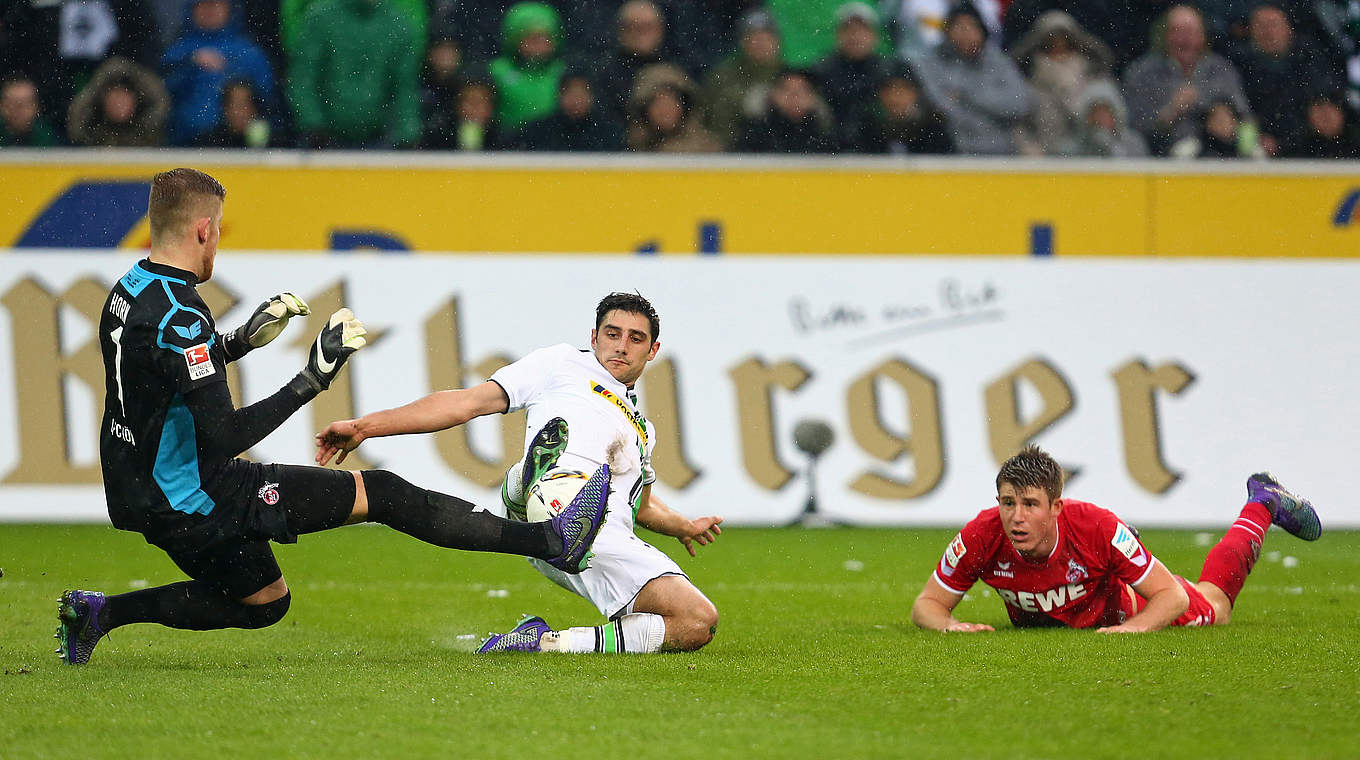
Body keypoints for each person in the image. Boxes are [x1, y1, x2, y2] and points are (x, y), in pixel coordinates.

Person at [55, 168, 608, 666]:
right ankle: (550, 542)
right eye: (218, 229)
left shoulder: (131, 288)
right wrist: (310, 381)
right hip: (198, 491)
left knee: (265, 602)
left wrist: (240, 341)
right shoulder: (182, 315)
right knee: (384, 493)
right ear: (203, 229)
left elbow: (162, 372)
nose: (217, 241)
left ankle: (98, 615)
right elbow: (222, 434)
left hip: (139, 488)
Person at [316, 292, 724, 654]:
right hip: (563, 519)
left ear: (652, 351)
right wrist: (366, 427)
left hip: (590, 538)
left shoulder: (641, 430)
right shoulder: (561, 364)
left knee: (692, 623)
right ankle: (536, 489)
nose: (621, 346)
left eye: (635, 339)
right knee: (695, 619)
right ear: (594, 336)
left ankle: (545, 636)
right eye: (612, 333)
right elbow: (467, 403)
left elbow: (644, 507)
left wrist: (685, 527)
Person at [911, 445, 1321, 633]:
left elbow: (1172, 599)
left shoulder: (1096, 527)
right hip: (1066, 623)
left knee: (1215, 606)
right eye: (1007, 502)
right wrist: (949, 625)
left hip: (1131, 603)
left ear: (1056, 506)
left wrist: (1138, 628)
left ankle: (1263, 505)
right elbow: (927, 605)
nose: (1016, 517)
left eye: (1030, 504)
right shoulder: (982, 534)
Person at [287, 0, 421, 149]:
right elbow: (304, 78)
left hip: (378, 139)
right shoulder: (321, 18)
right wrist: (313, 124)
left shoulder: (398, 25)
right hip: (323, 141)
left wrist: (407, 132)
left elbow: (404, 87)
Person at [1123, 4, 1253, 156]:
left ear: (1203, 36)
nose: (1185, 39)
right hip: (1163, 161)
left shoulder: (1222, 70)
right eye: (1178, 31)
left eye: (1192, 32)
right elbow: (1133, 127)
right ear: (1165, 35)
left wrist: (1228, 119)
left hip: (1221, 156)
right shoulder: (1143, 72)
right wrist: (1170, 112)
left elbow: (1246, 117)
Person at [161, 0, 276, 145]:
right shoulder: (176, 51)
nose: (210, 10)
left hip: (237, 146)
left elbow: (267, 99)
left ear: (229, 8)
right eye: (203, 4)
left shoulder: (249, 53)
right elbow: (162, 93)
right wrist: (189, 63)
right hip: (184, 144)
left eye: (216, 4)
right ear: (192, 9)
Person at [66, 56, 172, 147]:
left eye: (123, 98)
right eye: (115, 99)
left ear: (136, 101)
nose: (119, 105)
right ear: (103, 101)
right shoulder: (88, 136)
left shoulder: (152, 135)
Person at [515, 66, 625, 151]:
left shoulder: (609, 132)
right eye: (570, 92)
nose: (576, 99)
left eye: (582, 93)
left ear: (592, 96)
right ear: (559, 95)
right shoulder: (537, 131)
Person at [735, 67, 838, 153]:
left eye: (802, 90)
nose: (794, 97)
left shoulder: (827, 136)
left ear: (813, 98)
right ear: (773, 95)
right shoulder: (752, 135)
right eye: (786, 90)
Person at [0, 76, 62, 147]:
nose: (19, 110)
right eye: (12, 103)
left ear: (37, 107)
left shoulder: (48, 137)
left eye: (26, 103)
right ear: (2, 106)